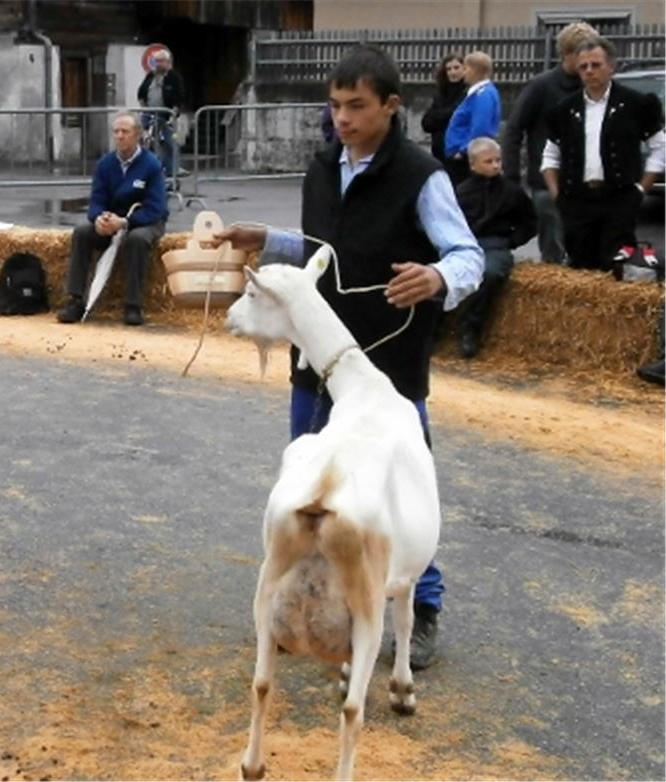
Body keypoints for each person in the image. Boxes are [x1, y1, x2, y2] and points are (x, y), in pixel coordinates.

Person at [216, 44, 484, 670]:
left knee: (398, 499)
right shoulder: (319, 167)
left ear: (392, 106)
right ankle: (304, 610)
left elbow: (467, 254)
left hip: (389, 374)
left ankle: (423, 610)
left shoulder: (422, 176)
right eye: (335, 105)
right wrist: (271, 239)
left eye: (357, 106)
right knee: (304, 492)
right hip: (317, 368)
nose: (343, 118)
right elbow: (322, 249)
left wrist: (439, 277)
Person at [542, 35, 665, 271]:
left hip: (619, 199)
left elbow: (660, 149)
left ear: (611, 66)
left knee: (618, 266)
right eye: (583, 66)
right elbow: (550, 156)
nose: (589, 71)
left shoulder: (635, 103)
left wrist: (641, 189)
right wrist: (558, 196)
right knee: (579, 268)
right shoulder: (564, 109)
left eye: (596, 65)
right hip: (577, 201)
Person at [55, 111, 166, 327]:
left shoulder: (151, 165)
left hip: (144, 221)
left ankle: (133, 305)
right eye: (116, 132)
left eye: (125, 132)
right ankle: (75, 300)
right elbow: (96, 200)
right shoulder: (105, 164)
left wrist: (125, 222)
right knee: (82, 233)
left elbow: (157, 208)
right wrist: (99, 218)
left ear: (137, 136)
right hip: (112, 221)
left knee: (137, 240)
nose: (120, 136)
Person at [501, 21, 597, 265]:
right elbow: (513, 130)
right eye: (583, 54)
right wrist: (512, 177)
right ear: (567, 54)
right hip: (548, 182)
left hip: (588, 181)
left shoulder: (594, 86)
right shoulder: (541, 86)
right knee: (554, 253)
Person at [453, 137, 537, 358]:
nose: (496, 165)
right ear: (473, 165)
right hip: (464, 245)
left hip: (495, 245)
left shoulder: (512, 191)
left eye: (498, 160)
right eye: (488, 161)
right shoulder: (460, 192)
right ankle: (434, 328)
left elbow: (530, 222)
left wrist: (511, 241)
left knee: (489, 274)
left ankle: (470, 329)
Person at [443, 51, 500, 186]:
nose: (464, 72)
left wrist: (462, 151)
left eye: (466, 68)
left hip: (465, 158)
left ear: (476, 70)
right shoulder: (477, 93)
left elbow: (480, 128)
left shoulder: (483, 95)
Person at [136, 47, 184, 179]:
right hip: (149, 115)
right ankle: (145, 171)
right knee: (145, 142)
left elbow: (179, 97)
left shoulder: (174, 77)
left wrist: (174, 111)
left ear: (167, 62)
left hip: (166, 116)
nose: (158, 64)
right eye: (156, 61)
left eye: (161, 61)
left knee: (170, 144)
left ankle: (171, 172)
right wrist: (143, 106)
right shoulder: (150, 76)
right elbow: (141, 92)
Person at [420, 54, 467, 178]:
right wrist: (445, 116)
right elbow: (427, 123)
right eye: (449, 69)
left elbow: (458, 115)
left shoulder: (468, 93)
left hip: (459, 155)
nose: (453, 72)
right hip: (439, 154)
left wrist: (439, 115)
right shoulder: (440, 94)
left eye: (456, 68)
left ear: (464, 69)